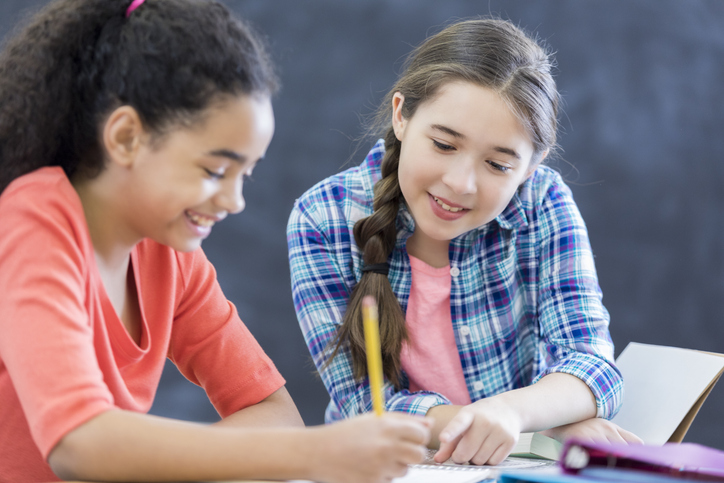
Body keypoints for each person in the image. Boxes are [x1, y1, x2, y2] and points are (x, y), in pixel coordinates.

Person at [0, 1, 431, 481]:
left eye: (245, 174)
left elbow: (274, 413)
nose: (234, 200)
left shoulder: (171, 254)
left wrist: (140, 459)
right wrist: (314, 453)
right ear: (125, 137)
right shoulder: (33, 218)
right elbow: (78, 444)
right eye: (214, 171)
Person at [287, 17, 642, 467]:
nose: (459, 184)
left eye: (497, 165)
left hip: (511, 465)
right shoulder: (323, 216)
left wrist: (513, 414)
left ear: (531, 166)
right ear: (401, 115)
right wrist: (517, 422)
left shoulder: (542, 200)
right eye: (443, 144)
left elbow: (593, 366)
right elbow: (365, 403)